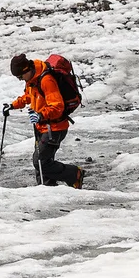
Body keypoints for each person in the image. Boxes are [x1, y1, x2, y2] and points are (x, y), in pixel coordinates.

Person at [8, 55, 85, 189]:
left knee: (40, 162)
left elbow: (57, 106)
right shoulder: (33, 79)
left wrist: (41, 115)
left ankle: (74, 174)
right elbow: (29, 95)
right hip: (43, 126)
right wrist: (13, 105)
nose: (20, 80)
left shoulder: (46, 80)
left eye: (20, 77)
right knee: (43, 161)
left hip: (54, 128)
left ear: (27, 69)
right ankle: (47, 190)